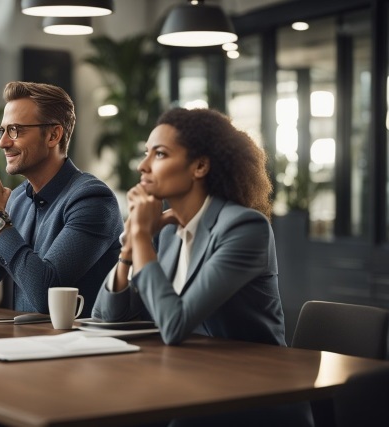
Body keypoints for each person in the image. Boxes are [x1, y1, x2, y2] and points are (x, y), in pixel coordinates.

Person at [92, 107, 313, 426]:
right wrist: (129, 250)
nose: (143, 166)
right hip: (187, 383)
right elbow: (107, 316)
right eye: (146, 154)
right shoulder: (169, 233)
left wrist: (140, 236)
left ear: (199, 165)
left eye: (160, 154)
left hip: (250, 399)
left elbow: (174, 325)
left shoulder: (244, 227)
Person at [0, 81, 123, 315]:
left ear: (53, 135)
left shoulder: (93, 200)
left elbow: (47, 296)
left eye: (15, 130)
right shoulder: (18, 199)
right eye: (2, 131)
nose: (2, 143)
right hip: (26, 346)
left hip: (82, 348)